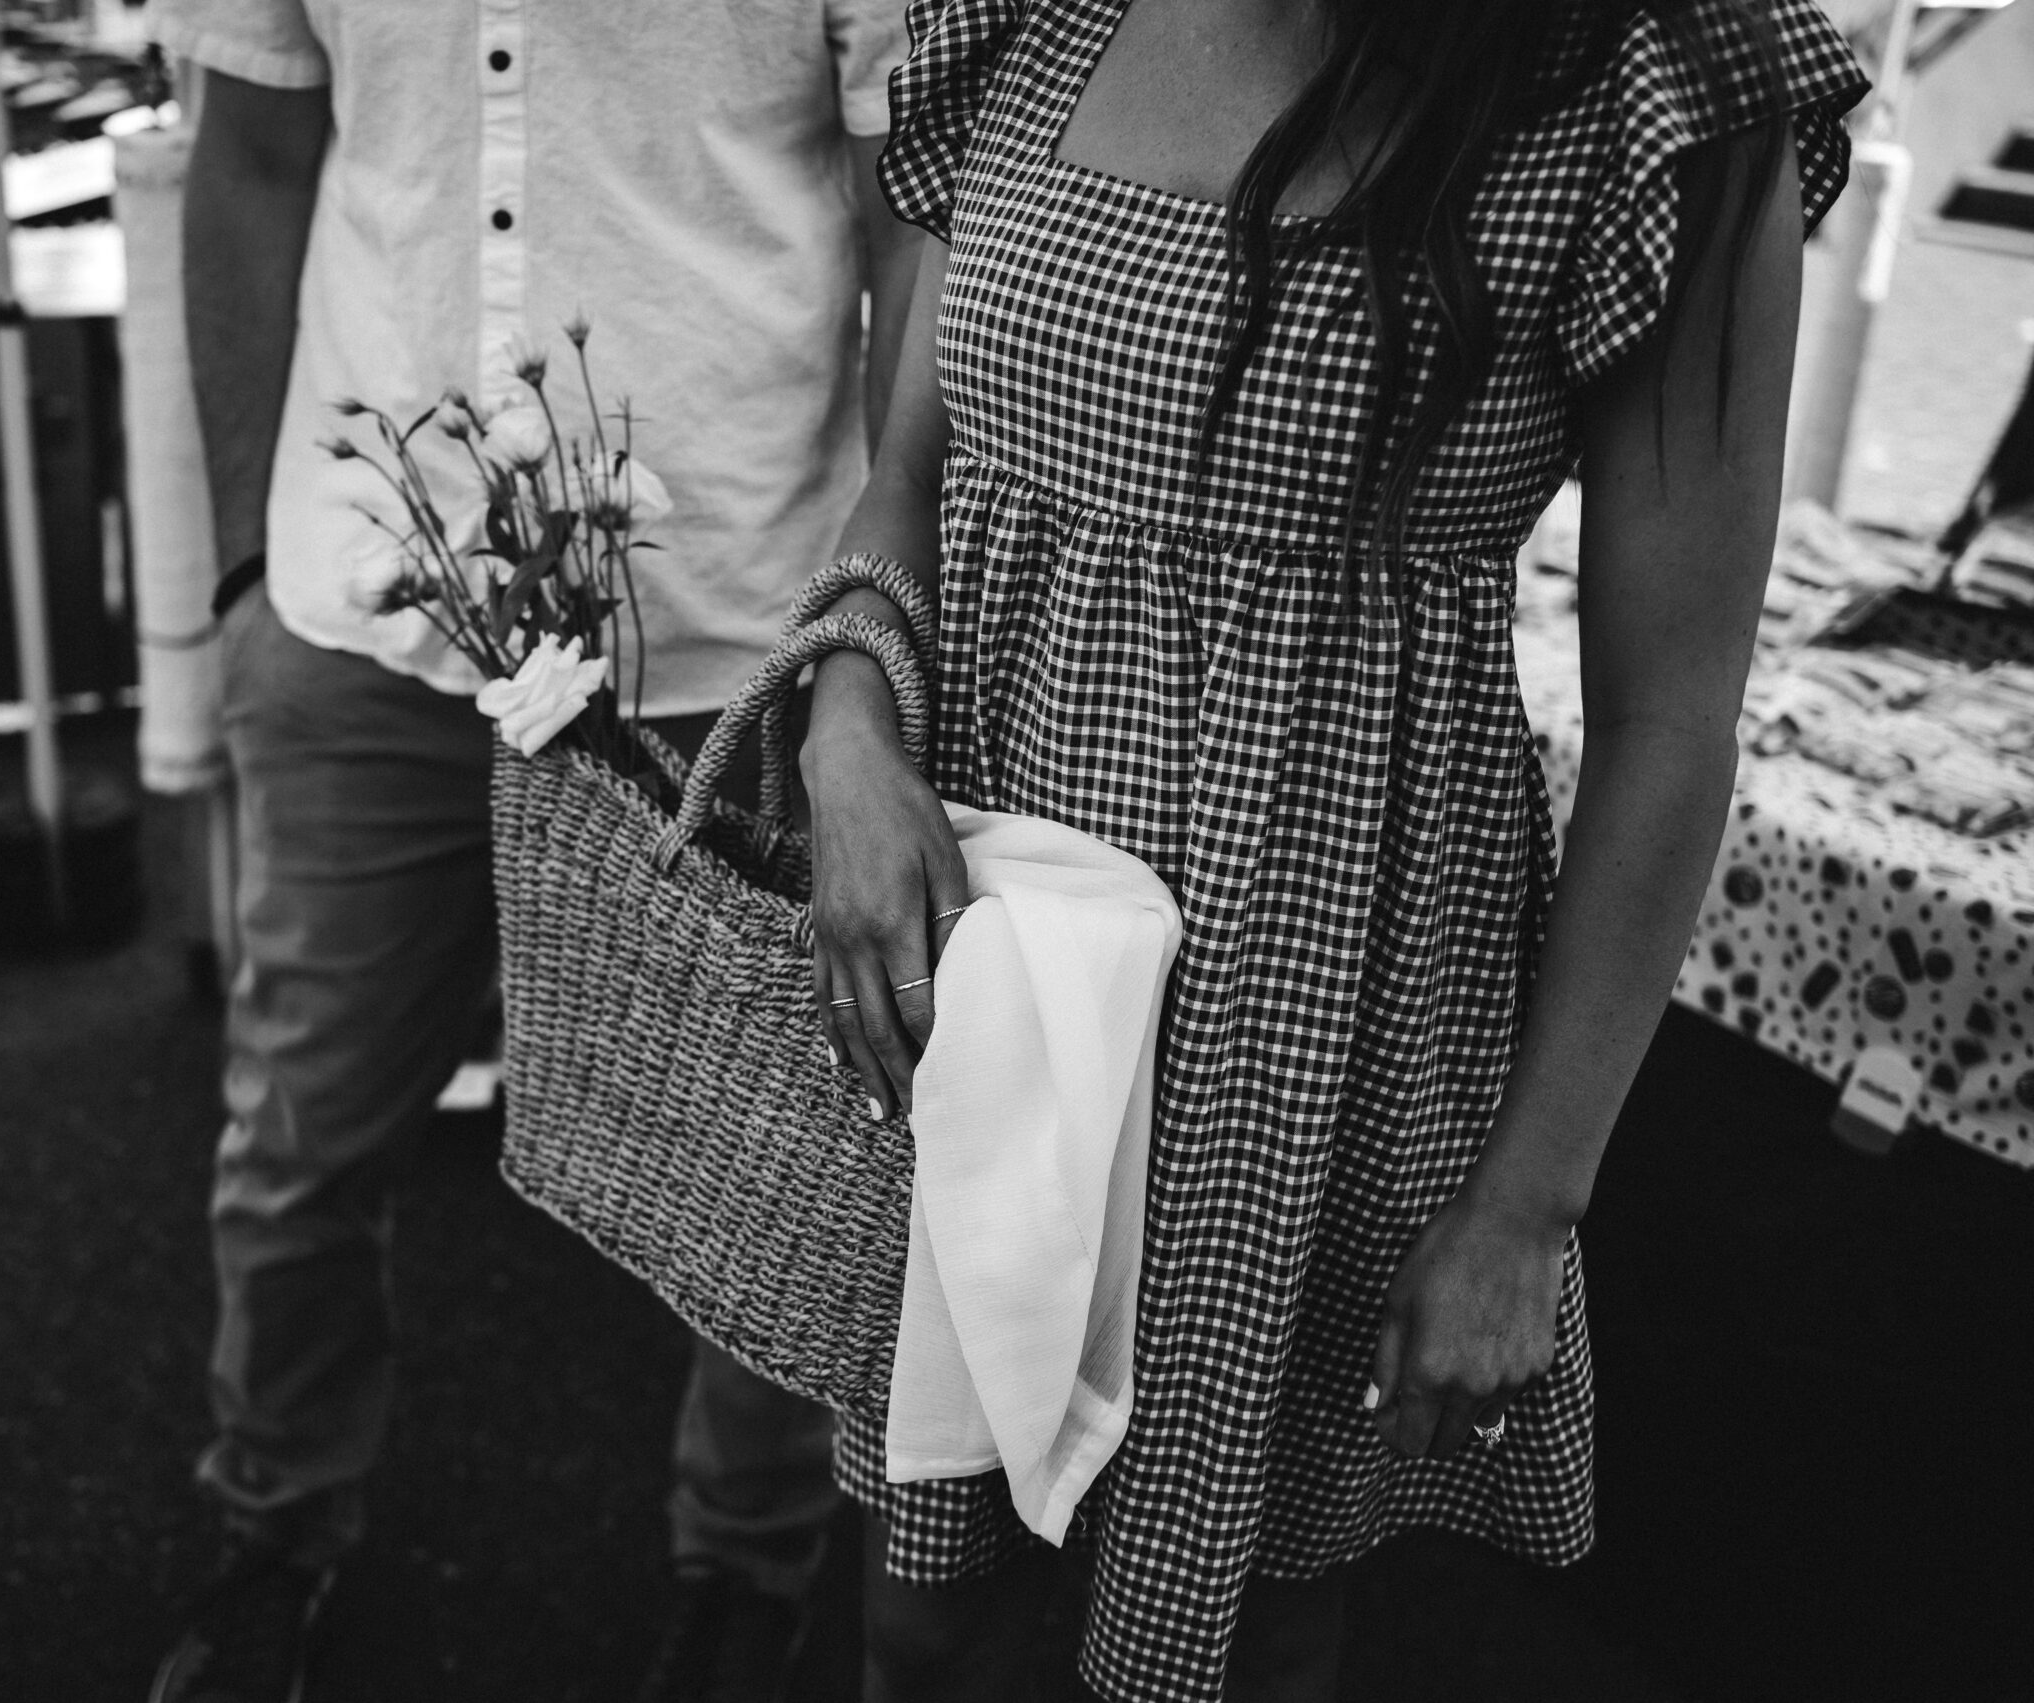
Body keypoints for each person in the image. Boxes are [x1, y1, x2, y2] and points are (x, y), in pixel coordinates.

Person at [793, 1, 1866, 1699]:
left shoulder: (1653, 76)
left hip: (1312, 1023)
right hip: (986, 970)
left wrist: (1530, 1203)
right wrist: (847, 726)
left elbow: (1672, 718)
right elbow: (906, 484)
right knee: (926, 1615)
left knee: (1232, 1632)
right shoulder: (1022, 10)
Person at [141, 2, 921, 1699]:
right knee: (301, 1120)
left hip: (731, 606)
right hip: (370, 613)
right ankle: (272, 1532)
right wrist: (231, 586)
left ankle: (745, 1572)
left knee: (767, 1160)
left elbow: (904, 209)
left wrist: (866, 623)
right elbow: (257, 149)